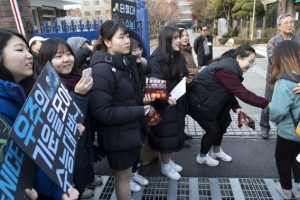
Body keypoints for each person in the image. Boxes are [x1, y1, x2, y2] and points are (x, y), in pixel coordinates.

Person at [0, 29, 79, 200]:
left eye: (28, 49)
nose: (29, 55)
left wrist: (60, 189)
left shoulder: (29, 91)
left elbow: (40, 150)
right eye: (20, 50)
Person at [88, 20, 150, 200]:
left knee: (127, 175)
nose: (127, 41)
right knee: (122, 179)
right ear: (107, 42)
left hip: (129, 132)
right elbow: (102, 112)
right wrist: (139, 110)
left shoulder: (123, 61)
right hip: (117, 137)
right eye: (120, 37)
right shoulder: (102, 69)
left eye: (127, 36)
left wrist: (143, 102)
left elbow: (127, 97)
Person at [187, 45, 270, 167]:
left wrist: (236, 108)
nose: (250, 65)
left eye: (253, 63)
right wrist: (267, 103)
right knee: (213, 130)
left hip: (211, 102)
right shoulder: (227, 70)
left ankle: (216, 151)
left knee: (223, 123)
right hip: (198, 103)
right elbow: (243, 93)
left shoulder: (230, 65)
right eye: (250, 61)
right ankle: (202, 156)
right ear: (239, 58)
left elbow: (228, 90)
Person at [37, 38, 94, 199]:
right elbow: (65, 122)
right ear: (46, 61)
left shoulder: (75, 77)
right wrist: (78, 95)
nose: (66, 59)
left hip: (82, 149)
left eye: (68, 54)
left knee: (79, 189)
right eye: (58, 56)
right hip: (65, 160)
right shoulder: (46, 87)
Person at [146, 26, 191, 181]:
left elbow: (182, 74)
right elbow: (153, 86)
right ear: (166, 40)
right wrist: (165, 98)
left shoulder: (177, 55)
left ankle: (168, 161)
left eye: (179, 37)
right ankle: (165, 166)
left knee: (172, 135)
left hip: (176, 103)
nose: (179, 41)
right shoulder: (156, 59)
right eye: (174, 38)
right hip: (164, 107)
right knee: (166, 136)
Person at [260, 13, 300, 139]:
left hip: (295, 78)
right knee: (268, 102)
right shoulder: (273, 42)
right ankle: (265, 127)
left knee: (293, 104)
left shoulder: (298, 40)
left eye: (291, 22)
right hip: (274, 77)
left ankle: (286, 127)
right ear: (279, 26)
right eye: (286, 23)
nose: (289, 25)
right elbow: (274, 60)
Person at [269, 40, 300, 199]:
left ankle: (286, 190)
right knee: (298, 158)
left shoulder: (286, 80)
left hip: (290, 131)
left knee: (283, 159)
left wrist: (274, 119)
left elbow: (278, 111)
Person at [127, 38, 152, 192]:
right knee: (129, 150)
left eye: (139, 49)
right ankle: (127, 178)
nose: (138, 52)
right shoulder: (125, 69)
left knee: (138, 146)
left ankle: (134, 172)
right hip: (130, 115)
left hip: (141, 113)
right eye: (134, 49)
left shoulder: (142, 65)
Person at [179, 28, 199, 147]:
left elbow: (192, 65)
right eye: (183, 36)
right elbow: (183, 69)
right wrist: (198, 70)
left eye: (187, 35)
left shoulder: (188, 49)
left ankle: (182, 133)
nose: (186, 38)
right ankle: (180, 136)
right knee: (181, 111)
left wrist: (199, 68)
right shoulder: (178, 51)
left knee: (184, 110)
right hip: (182, 84)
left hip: (190, 83)